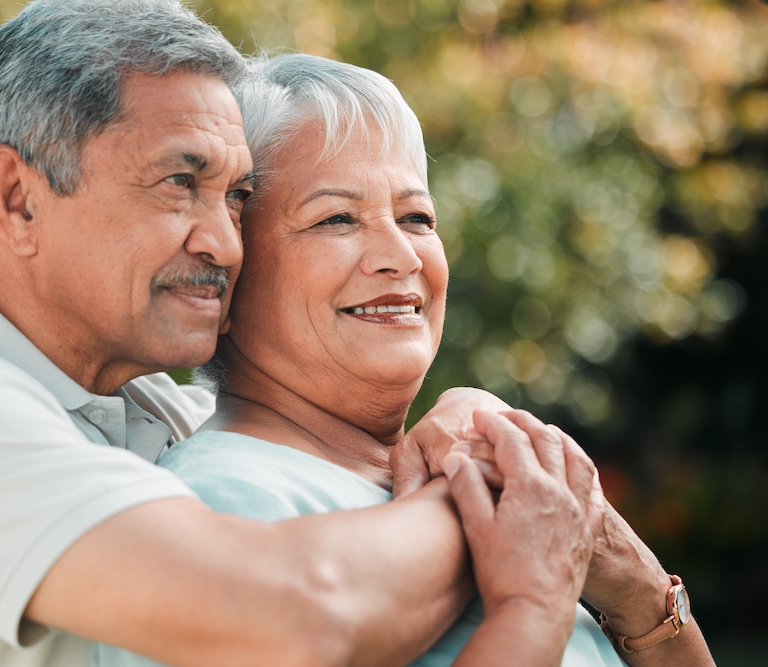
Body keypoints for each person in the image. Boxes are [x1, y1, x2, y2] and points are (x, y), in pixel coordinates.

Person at [0, 2, 524, 666]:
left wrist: (466, 418)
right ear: (17, 200)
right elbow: (295, 619)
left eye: (235, 197)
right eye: (178, 182)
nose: (225, 243)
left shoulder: (160, 412)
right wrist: (495, 505)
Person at [91, 54, 717, 667]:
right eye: (336, 218)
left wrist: (637, 588)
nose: (400, 255)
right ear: (226, 274)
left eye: (416, 216)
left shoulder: (491, 469)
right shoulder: (221, 506)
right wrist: (540, 596)